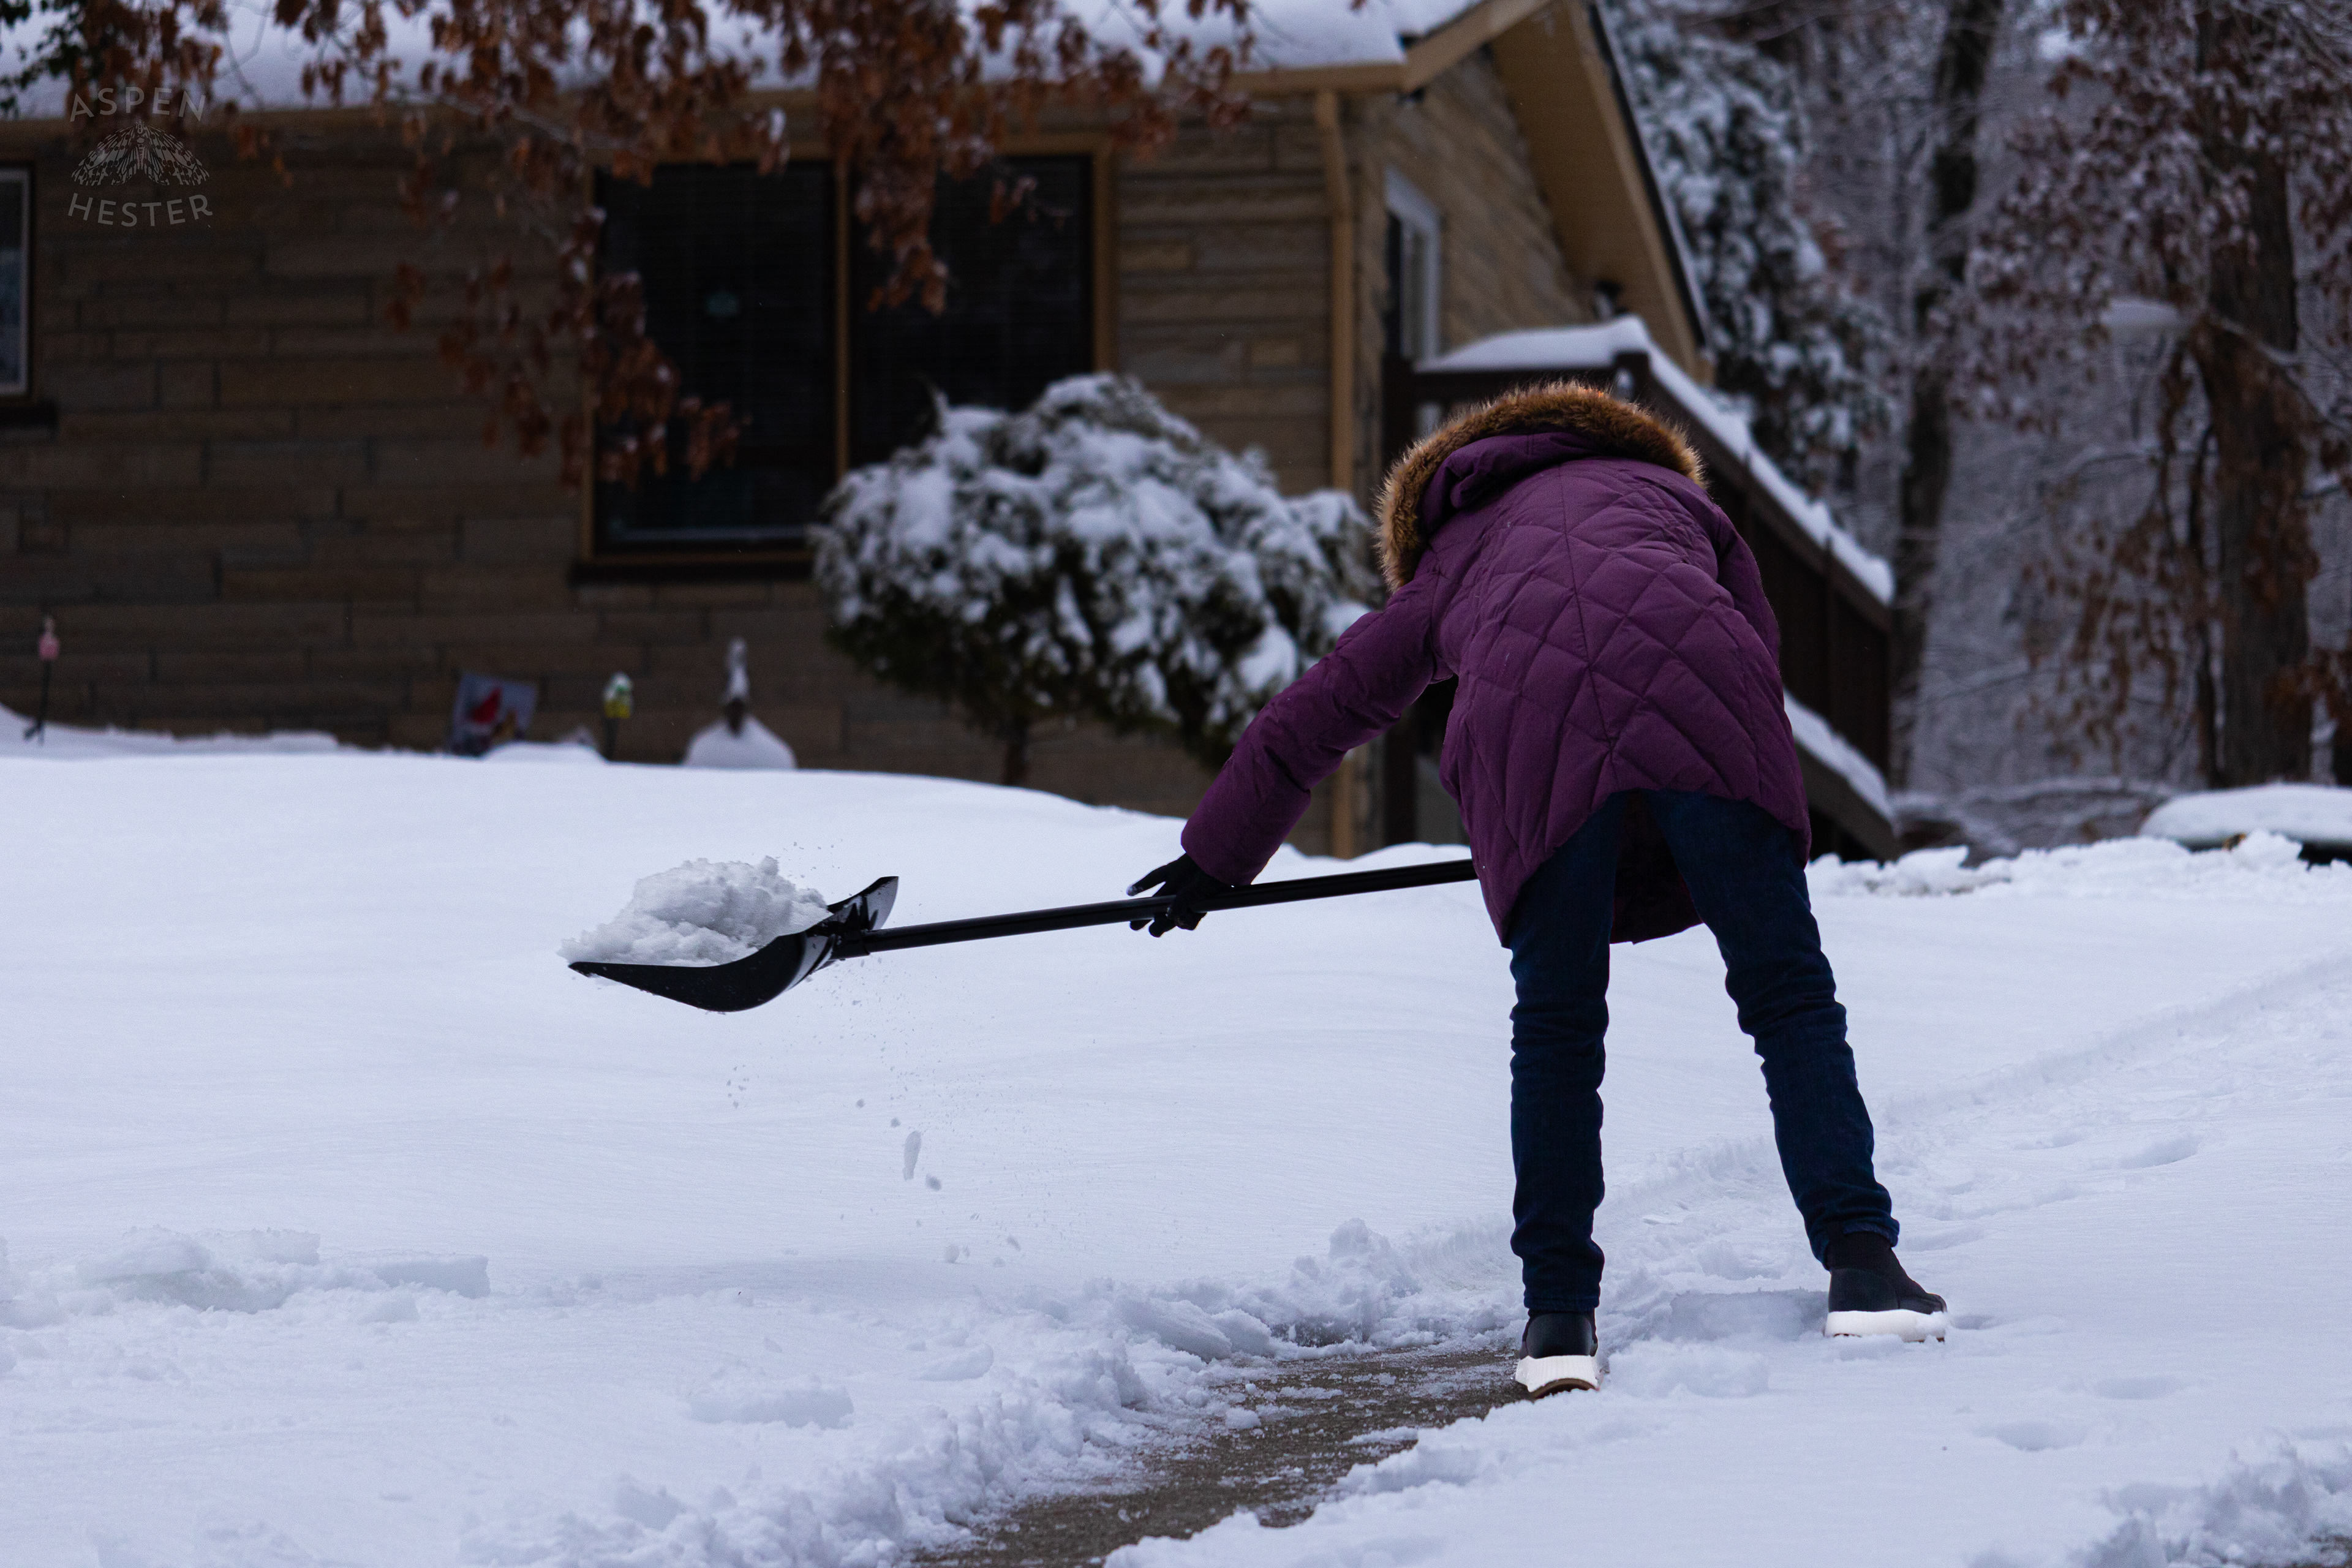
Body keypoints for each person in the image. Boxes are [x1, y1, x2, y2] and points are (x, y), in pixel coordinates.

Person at [1126, 382, 1945, 1396]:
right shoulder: (1676, 499)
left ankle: (1558, 1319)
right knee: (1787, 995)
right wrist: (1709, 826)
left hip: (1532, 740)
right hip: (1709, 703)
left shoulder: (1453, 555)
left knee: (1557, 1028)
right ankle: (1863, 1265)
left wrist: (1216, 859)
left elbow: (1321, 708)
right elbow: (1752, 650)